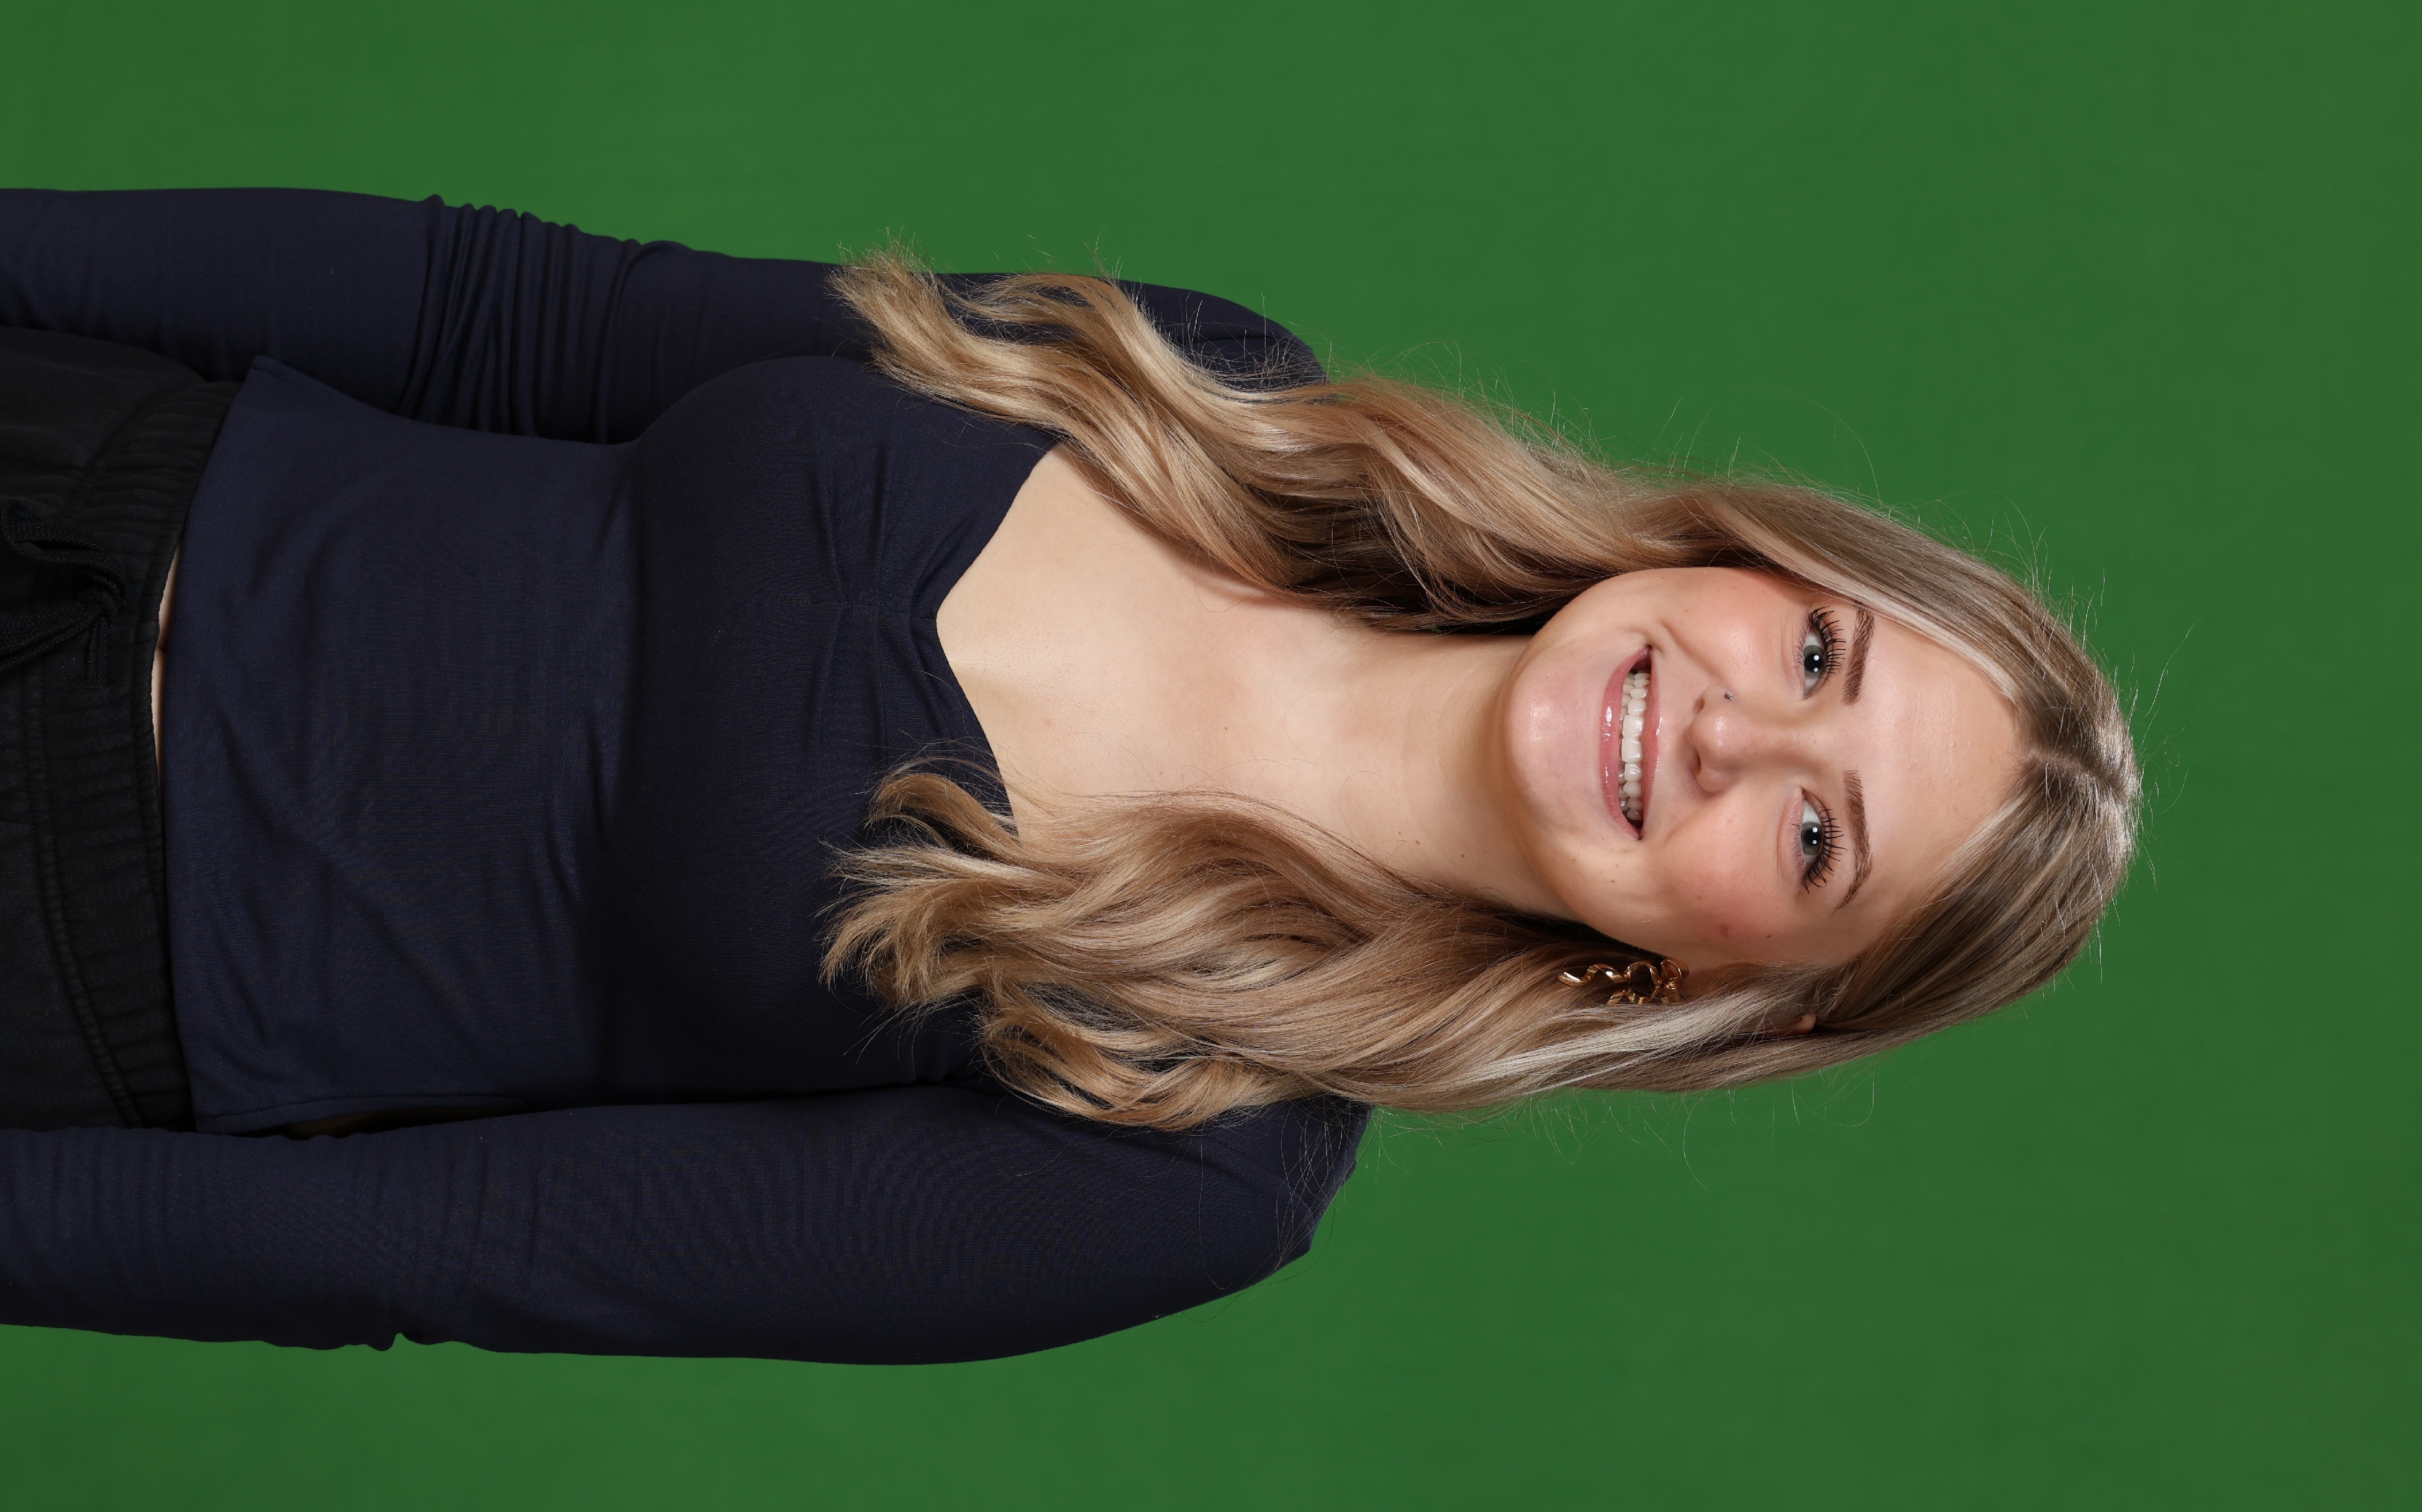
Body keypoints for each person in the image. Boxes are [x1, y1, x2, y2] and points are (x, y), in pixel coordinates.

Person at [0, 189, 2138, 1363]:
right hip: (86, 450)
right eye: (1817, 651)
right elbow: (526, 316)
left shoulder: (1185, 1155)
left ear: (1726, 990)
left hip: (63, 934)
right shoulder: (1215, 393)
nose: (1737, 727)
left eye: (1814, 831)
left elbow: (437, 1244)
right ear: (1746, 557)